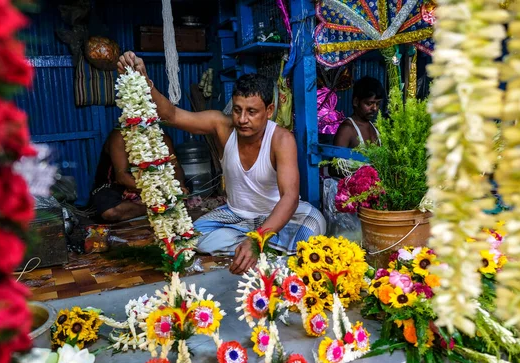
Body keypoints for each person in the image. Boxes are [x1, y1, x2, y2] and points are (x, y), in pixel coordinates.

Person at [117, 51, 326, 275]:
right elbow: (172, 115)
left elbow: (290, 197)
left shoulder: (281, 139)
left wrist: (258, 238)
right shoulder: (222, 125)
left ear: (269, 111)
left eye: (252, 112)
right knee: (192, 236)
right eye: (237, 110)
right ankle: (258, 249)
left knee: (315, 224)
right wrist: (144, 81)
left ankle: (253, 246)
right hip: (237, 216)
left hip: (276, 215)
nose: (242, 119)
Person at [91, 127, 187, 222]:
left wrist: (179, 186)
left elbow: (175, 167)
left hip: (156, 185)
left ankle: (160, 205)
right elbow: (122, 177)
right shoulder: (119, 135)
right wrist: (155, 194)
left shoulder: (160, 135)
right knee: (110, 212)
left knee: (184, 189)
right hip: (118, 186)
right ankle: (157, 208)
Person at [333, 76, 385, 148]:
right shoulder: (347, 130)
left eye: (378, 104)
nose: (375, 108)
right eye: (369, 104)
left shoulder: (375, 128)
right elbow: (336, 158)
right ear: (356, 102)